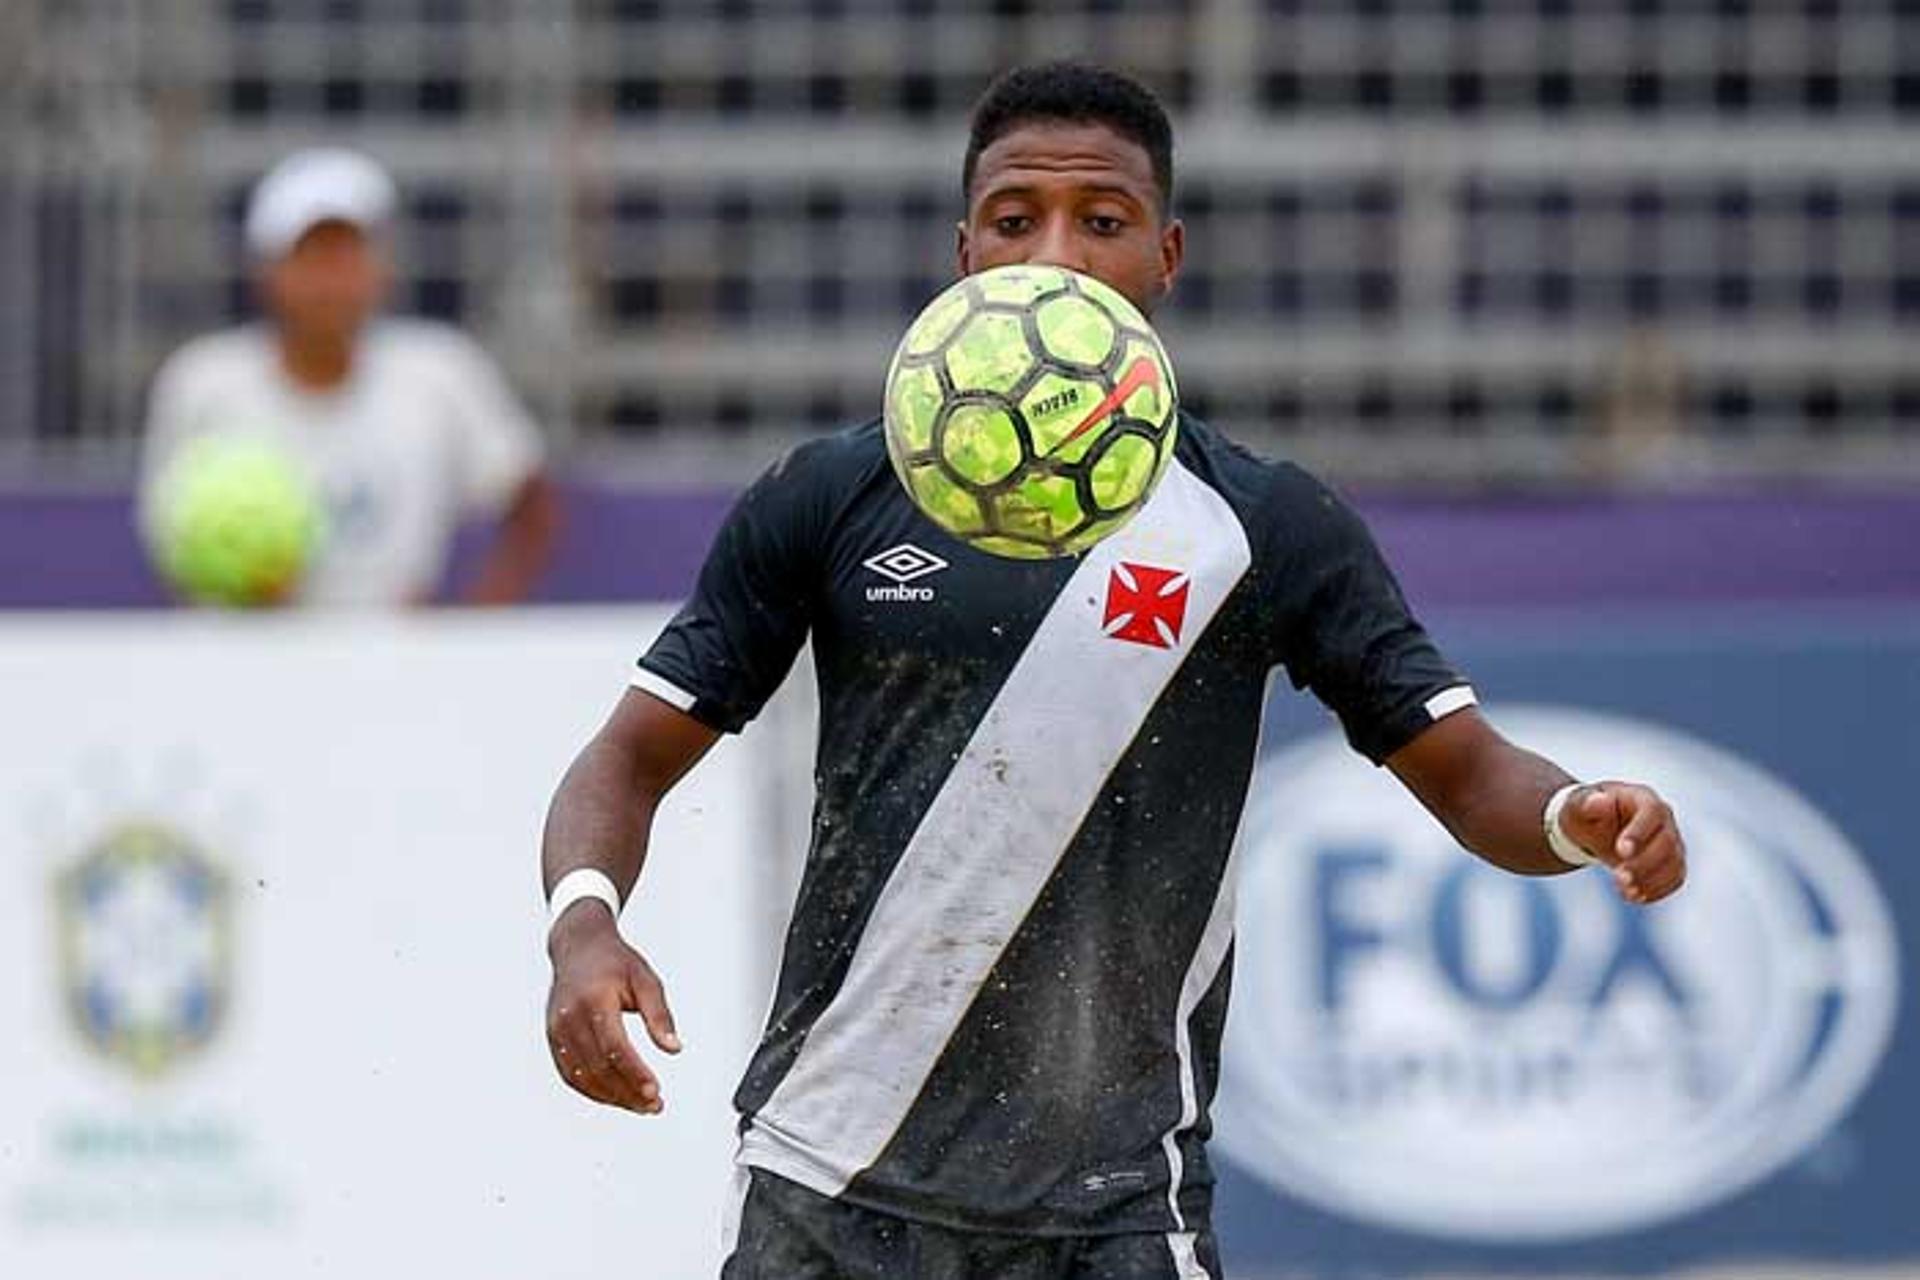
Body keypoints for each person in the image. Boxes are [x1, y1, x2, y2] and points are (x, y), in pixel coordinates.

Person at [540, 63, 1688, 1280]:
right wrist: (583, 928)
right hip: (829, 1174)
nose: (1057, 254)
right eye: (1015, 217)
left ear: (1167, 255)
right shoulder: (832, 493)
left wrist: (1574, 817)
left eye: (1103, 220)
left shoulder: (1266, 524)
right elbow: (626, 756)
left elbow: (1470, 776)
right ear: (965, 250)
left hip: (1121, 1209)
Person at [138, 147, 558, 607]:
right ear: (268, 272)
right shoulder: (202, 382)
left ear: (382, 268)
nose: (331, 280)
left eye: (348, 254)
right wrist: (240, 589)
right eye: (311, 257)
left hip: (401, 667)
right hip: (245, 661)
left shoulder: (441, 371)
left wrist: (468, 629)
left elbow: (530, 502)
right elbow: (171, 538)